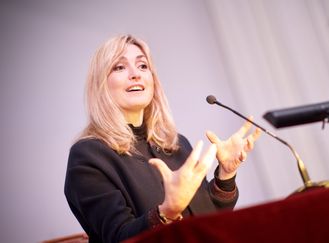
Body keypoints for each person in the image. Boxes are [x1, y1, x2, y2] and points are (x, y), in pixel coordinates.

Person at [64, 34, 261, 243]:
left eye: (142, 66)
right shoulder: (88, 157)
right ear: (101, 84)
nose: (135, 74)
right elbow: (119, 237)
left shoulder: (175, 144)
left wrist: (226, 175)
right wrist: (167, 211)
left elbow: (208, 220)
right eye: (120, 67)